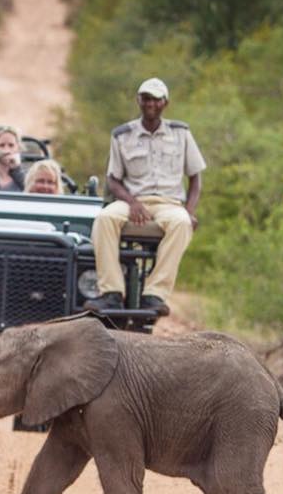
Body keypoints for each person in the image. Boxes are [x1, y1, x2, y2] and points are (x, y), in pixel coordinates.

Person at [84, 77, 206, 317]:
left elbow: (195, 178)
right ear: (138, 101)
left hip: (169, 202)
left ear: (165, 103)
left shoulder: (181, 133)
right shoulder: (122, 135)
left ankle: (155, 294)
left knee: (181, 223)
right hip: (132, 200)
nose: (151, 104)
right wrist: (132, 203)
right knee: (104, 219)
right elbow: (113, 180)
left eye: (156, 99)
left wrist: (190, 212)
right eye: (146, 98)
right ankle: (112, 293)